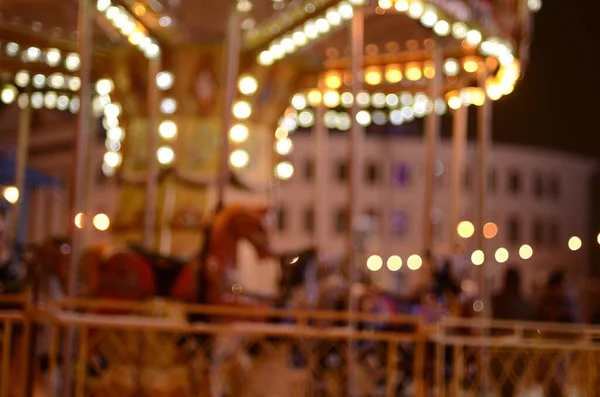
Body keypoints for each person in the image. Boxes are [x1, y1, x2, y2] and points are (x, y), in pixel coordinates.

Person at [491, 267, 533, 397]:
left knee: (504, 382)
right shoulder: (525, 303)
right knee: (512, 381)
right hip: (519, 349)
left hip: (500, 347)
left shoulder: (497, 300)